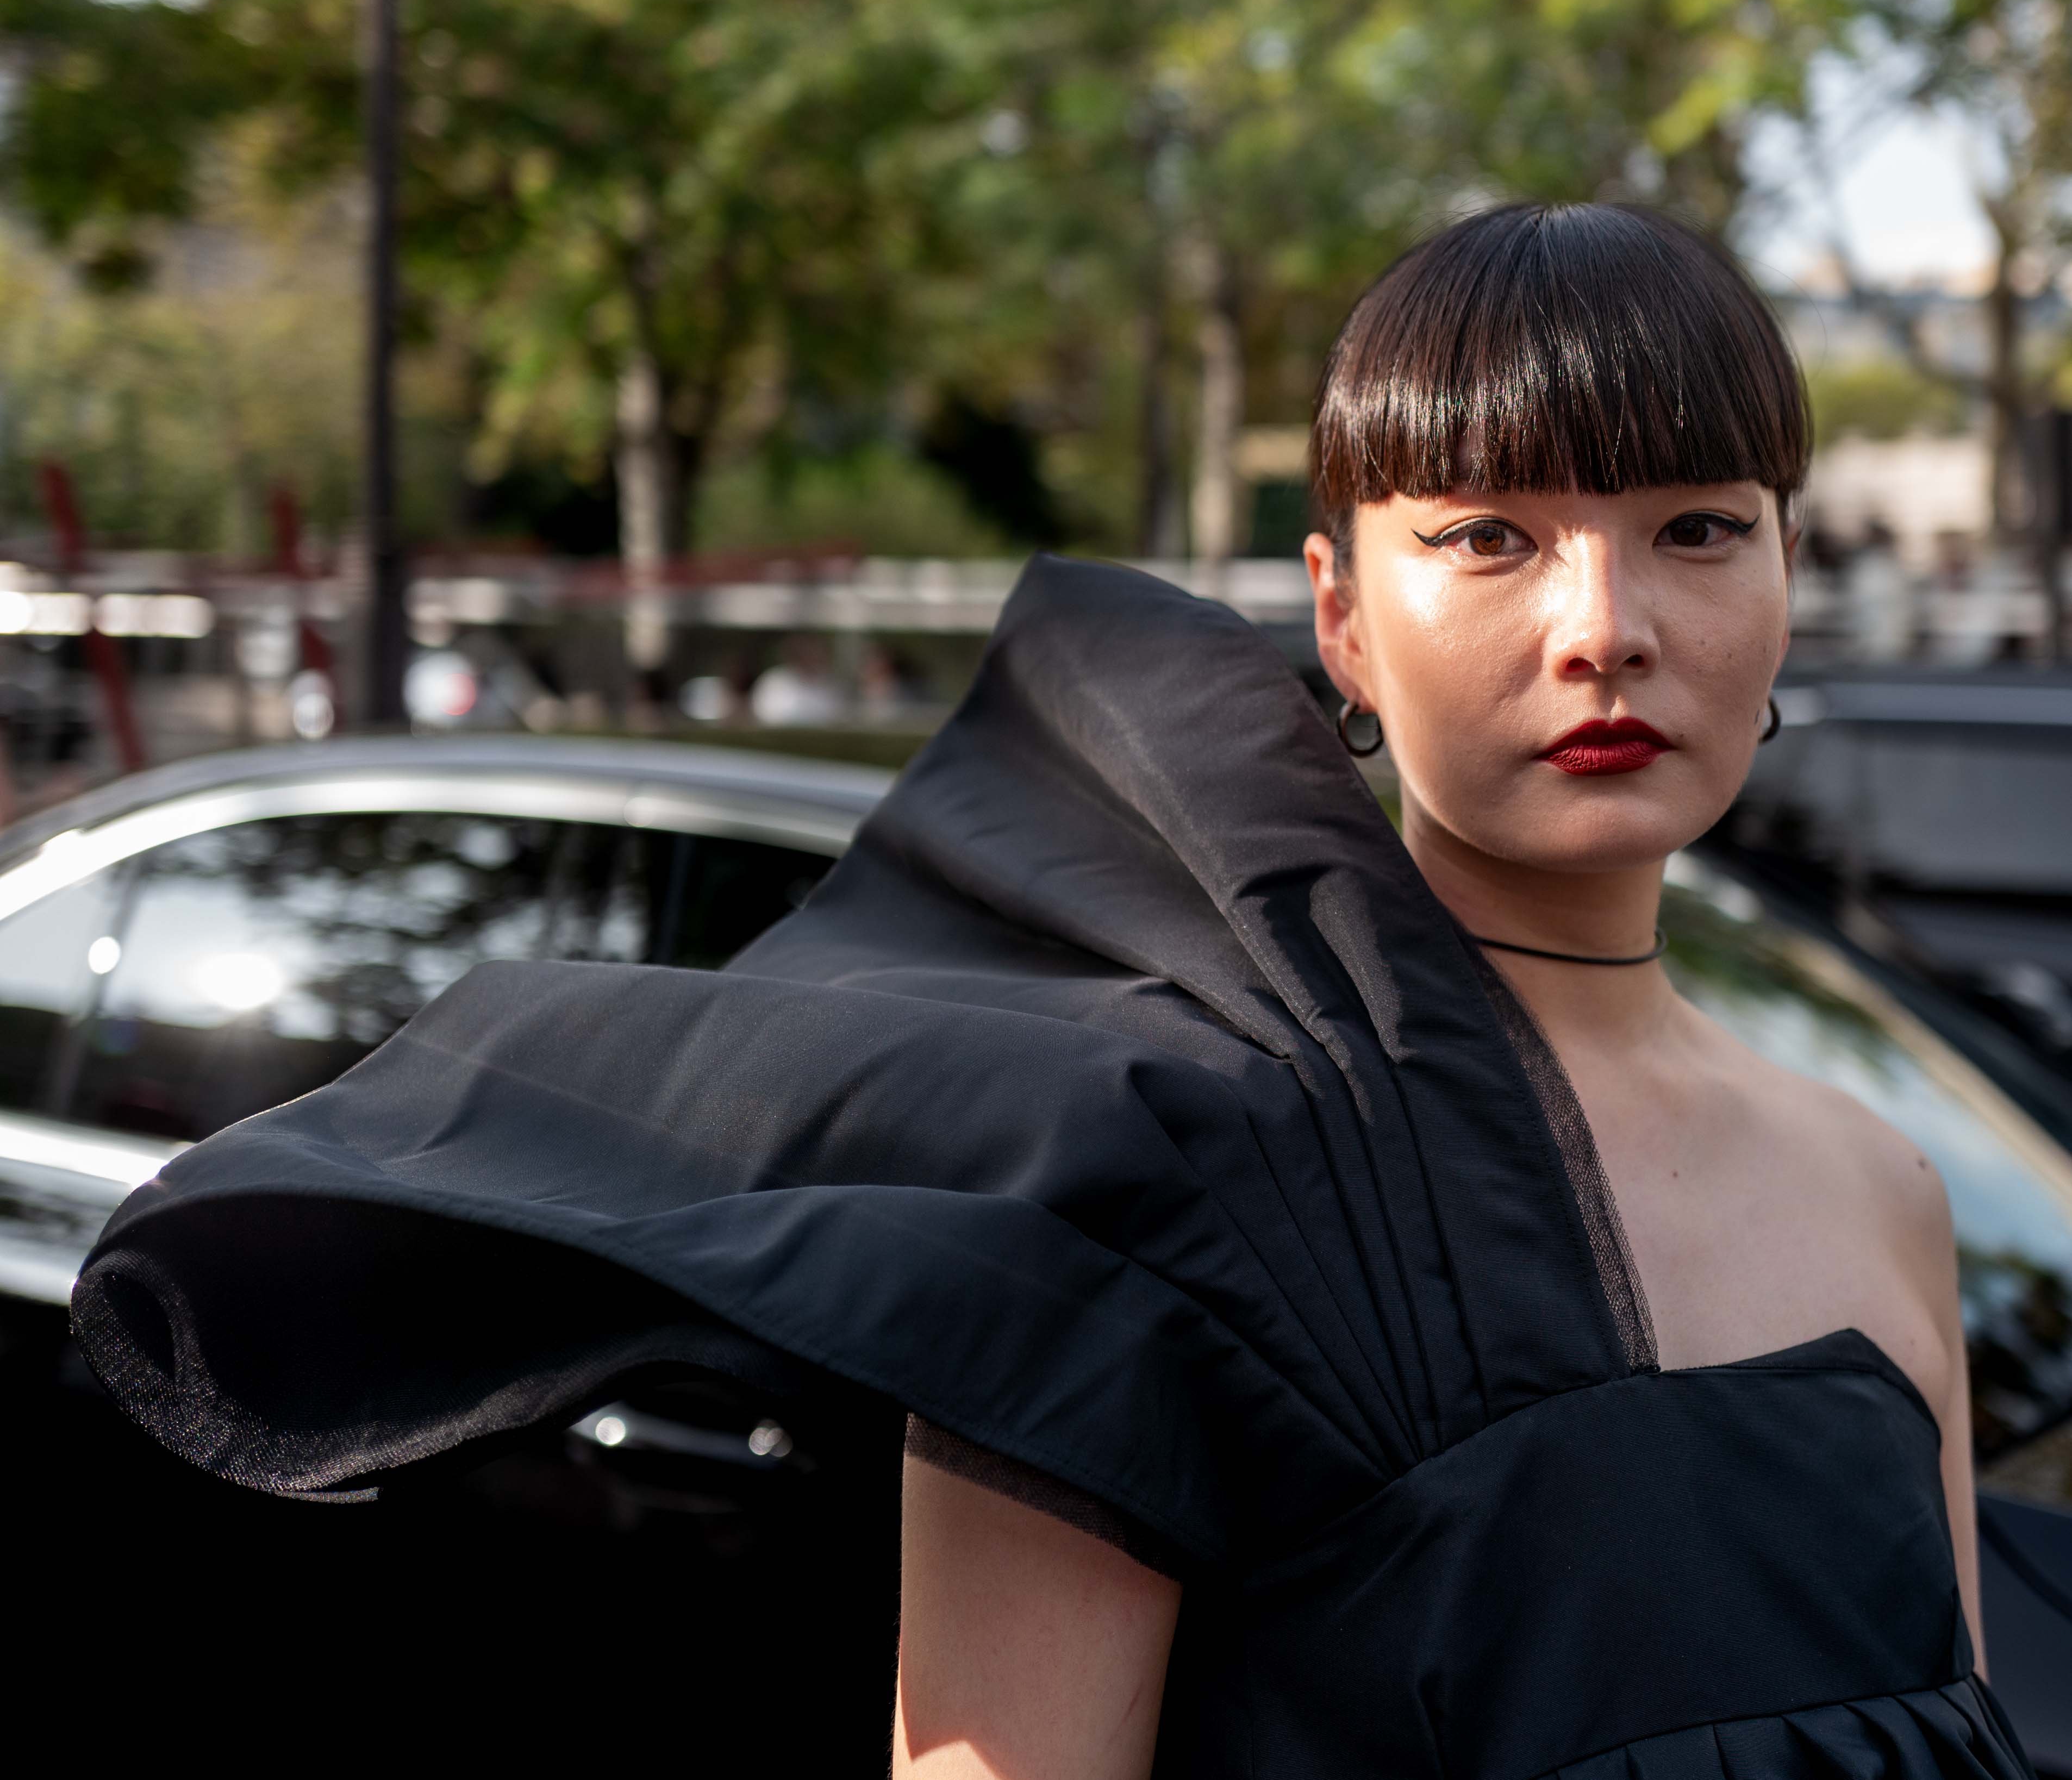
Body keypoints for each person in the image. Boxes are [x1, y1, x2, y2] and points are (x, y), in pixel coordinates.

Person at [74, 204, 2030, 1780]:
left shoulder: (1879, 1191)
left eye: (1697, 527)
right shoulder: (1160, 1174)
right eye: (1490, 540)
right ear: (1340, 613)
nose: (1606, 626)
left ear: (1786, 577)